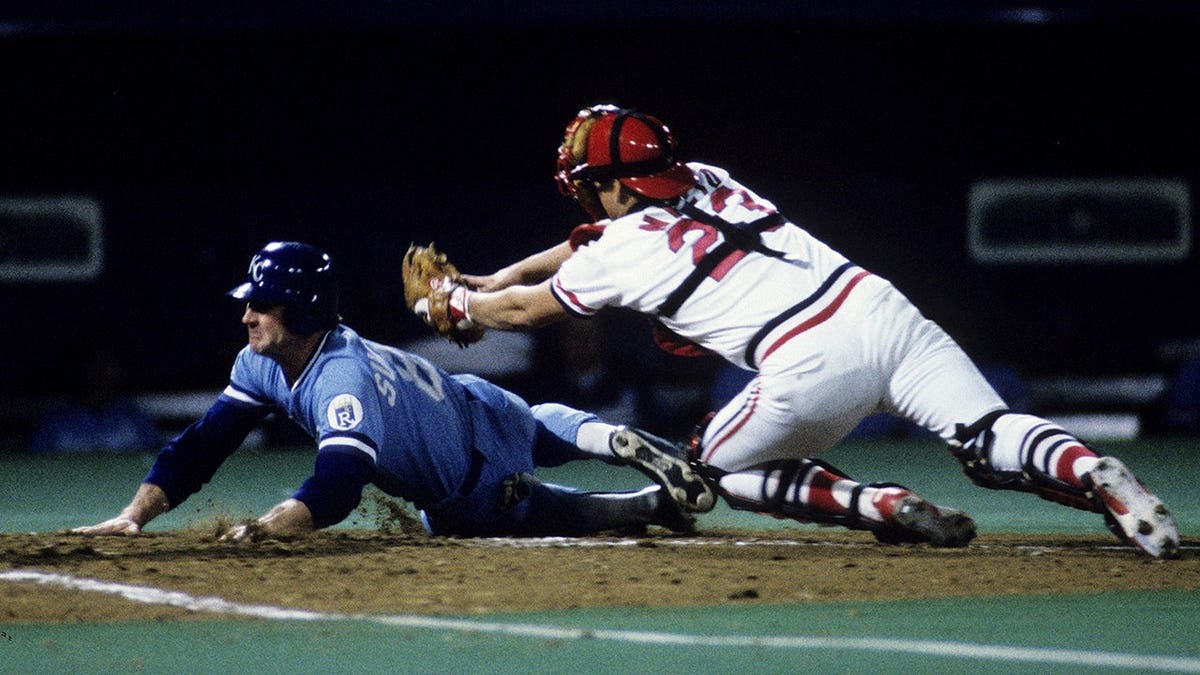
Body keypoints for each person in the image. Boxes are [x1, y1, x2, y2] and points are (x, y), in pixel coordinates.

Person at [429, 104, 1179, 558]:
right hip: (880, 308)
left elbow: (532, 311)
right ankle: (1090, 470)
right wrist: (494, 276)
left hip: (807, 359)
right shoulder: (710, 175)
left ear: (619, 185)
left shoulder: (623, 249)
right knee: (989, 433)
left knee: (708, 472)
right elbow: (586, 241)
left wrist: (458, 307)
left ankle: (876, 505)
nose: (587, 195)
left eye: (591, 182)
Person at [72, 241, 714, 541]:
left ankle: (634, 507)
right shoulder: (265, 360)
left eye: (262, 306)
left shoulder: (339, 380)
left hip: (469, 483)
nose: (247, 317)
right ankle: (615, 448)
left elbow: (340, 484)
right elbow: (203, 445)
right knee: (538, 424)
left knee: (518, 512)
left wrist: (268, 528)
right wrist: (135, 515)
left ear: (300, 312)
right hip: (476, 401)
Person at [29, 347, 160, 454]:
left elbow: (157, 463)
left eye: (106, 365)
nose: (99, 373)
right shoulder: (57, 422)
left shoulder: (136, 419)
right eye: (93, 364)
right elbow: (33, 461)